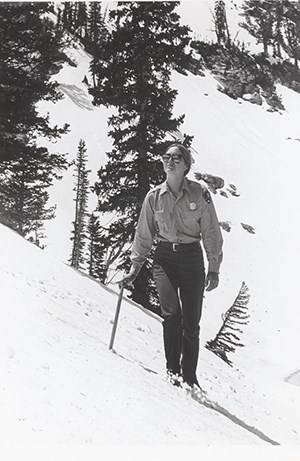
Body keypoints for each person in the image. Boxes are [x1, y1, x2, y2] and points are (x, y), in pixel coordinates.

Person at [119, 143, 223, 388]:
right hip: (164, 258)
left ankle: (190, 376)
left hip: (192, 259)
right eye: (166, 157)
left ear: (186, 165)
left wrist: (214, 266)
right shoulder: (154, 197)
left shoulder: (200, 193)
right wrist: (135, 268)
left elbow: (210, 231)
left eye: (176, 158)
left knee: (191, 321)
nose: (170, 161)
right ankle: (172, 371)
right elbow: (144, 234)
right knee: (171, 314)